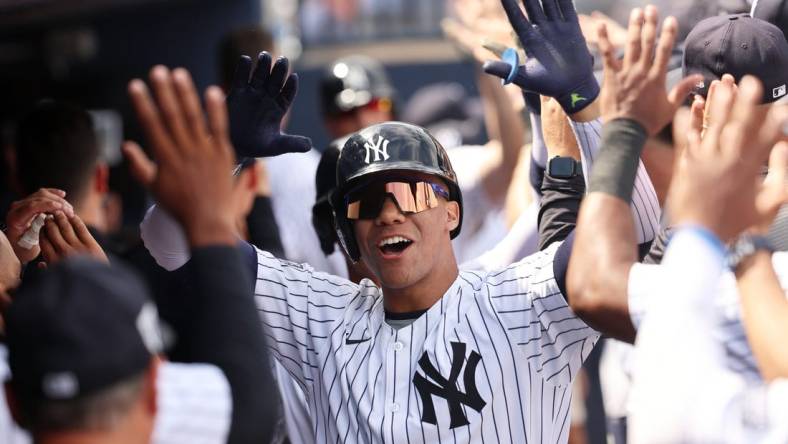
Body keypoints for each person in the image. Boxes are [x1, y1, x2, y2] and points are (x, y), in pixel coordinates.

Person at [136, 0, 637, 440]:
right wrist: (228, 151)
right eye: (366, 202)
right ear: (348, 235)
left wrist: (585, 104)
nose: (390, 211)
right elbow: (168, 244)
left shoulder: (520, 296)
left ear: (451, 211)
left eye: (412, 191)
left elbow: (631, 232)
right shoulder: (323, 316)